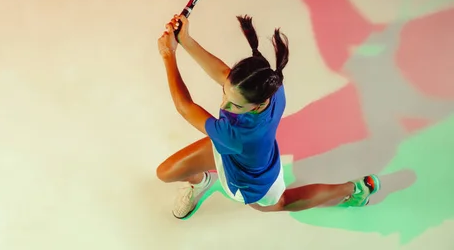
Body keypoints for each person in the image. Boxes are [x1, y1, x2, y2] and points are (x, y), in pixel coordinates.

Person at [156, 14, 381, 219]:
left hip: (252, 180)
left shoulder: (235, 134)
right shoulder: (273, 88)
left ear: (258, 104)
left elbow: (185, 107)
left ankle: (354, 189)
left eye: (234, 105)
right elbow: (225, 74)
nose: (224, 105)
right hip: (236, 151)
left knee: (282, 202)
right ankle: (200, 182)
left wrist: (169, 55)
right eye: (225, 93)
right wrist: (187, 41)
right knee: (165, 173)